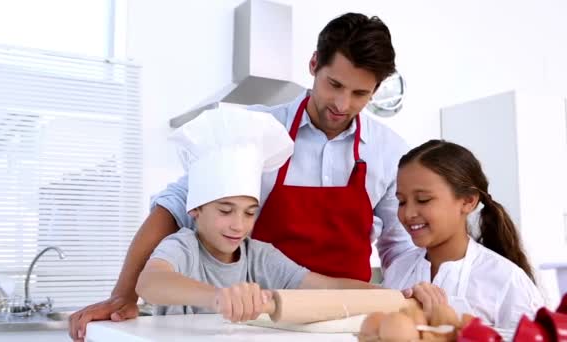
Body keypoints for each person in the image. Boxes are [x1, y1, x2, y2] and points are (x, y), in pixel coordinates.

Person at [69, 12, 414, 340]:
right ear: (314, 65)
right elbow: (174, 208)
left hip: (348, 321)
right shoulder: (254, 128)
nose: (342, 103)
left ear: (376, 89)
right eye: (334, 84)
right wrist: (122, 295)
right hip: (258, 322)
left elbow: (397, 249)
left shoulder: (390, 151)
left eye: (359, 94)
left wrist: (402, 300)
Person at [136, 107, 382, 322]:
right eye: (225, 210)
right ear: (195, 210)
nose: (238, 225)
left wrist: (390, 294)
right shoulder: (183, 247)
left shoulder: (259, 256)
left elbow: (326, 286)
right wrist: (220, 298)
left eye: (249, 213)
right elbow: (149, 283)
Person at [382, 139, 544, 329]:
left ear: (468, 201)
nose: (408, 213)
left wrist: (447, 326)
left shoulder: (507, 281)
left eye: (423, 200)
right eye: (401, 202)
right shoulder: (398, 271)